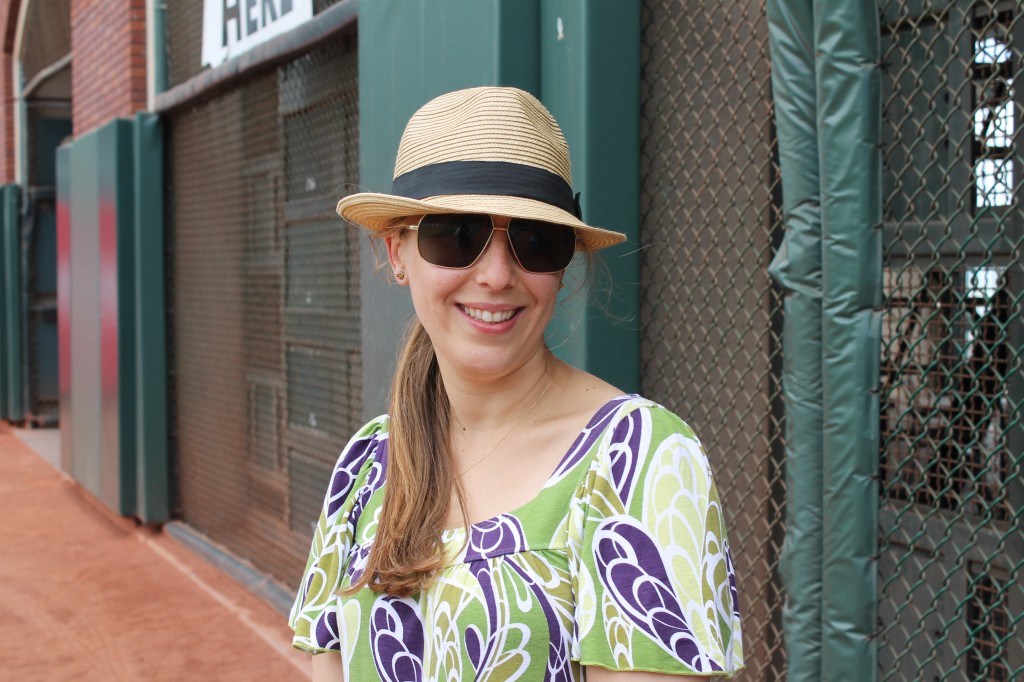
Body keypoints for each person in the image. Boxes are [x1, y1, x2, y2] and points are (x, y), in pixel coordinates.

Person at [289, 86, 743, 681]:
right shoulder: (367, 465)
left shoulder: (641, 462)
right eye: (455, 234)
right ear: (396, 252)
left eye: (535, 241)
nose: (498, 275)